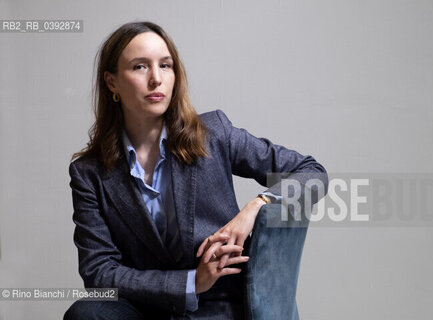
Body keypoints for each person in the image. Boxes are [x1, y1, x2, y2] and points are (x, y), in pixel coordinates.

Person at [63, 21, 327, 320]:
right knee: (86, 313)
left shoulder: (214, 133)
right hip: (146, 309)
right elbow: (99, 272)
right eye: (140, 67)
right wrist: (190, 283)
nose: (156, 79)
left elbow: (312, 172)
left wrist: (258, 205)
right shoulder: (89, 173)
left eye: (165, 65)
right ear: (112, 82)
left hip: (219, 307)